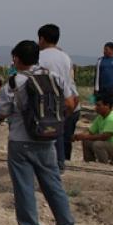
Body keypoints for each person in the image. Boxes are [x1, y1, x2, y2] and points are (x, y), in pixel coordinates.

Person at [0, 40, 76, 225]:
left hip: (20, 140)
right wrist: (55, 122)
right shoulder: (54, 77)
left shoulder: (14, 83)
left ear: (17, 58)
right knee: (52, 182)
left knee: (24, 186)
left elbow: (2, 111)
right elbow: (69, 102)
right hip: (48, 139)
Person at [37, 24, 80, 171]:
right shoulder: (65, 57)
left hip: (44, 99)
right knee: (58, 132)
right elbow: (68, 81)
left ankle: (44, 164)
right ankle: (60, 163)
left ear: (42, 39)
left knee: (43, 132)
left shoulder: (39, 56)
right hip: (62, 98)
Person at [72, 92, 113, 164]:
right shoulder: (100, 117)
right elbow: (90, 132)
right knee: (86, 141)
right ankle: (90, 163)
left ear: (107, 105)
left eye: (98, 105)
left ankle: (103, 165)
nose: (96, 108)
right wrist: (79, 136)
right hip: (109, 146)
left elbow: (103, 137)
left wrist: (84, 136)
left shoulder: (112, 119)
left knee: (98, 144)